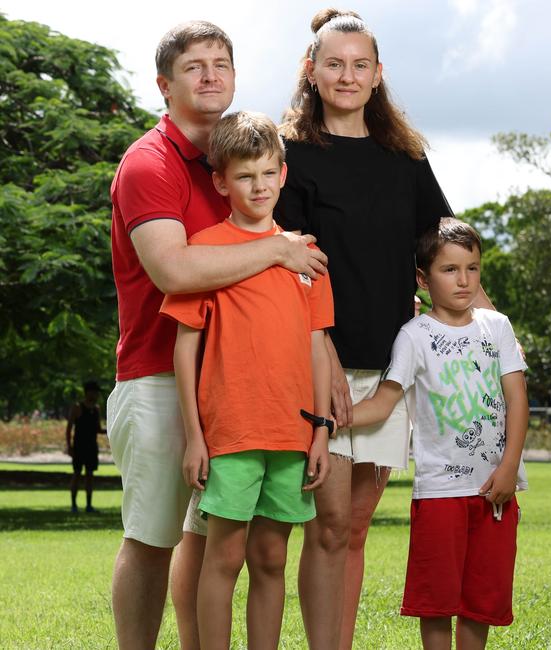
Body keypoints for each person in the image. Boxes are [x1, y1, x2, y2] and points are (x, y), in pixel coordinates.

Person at [107, 21, 327, 650]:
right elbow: (174, 268)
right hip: (157, 375)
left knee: (206, 540)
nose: (210, 76)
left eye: (221, 64)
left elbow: (295, 294)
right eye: (194, 66)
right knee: (153, 539)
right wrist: (277, 252)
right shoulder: (150, 163)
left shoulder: (234, 162)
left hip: (234, 387)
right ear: (164, 84)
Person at [274, 9, 460, 649]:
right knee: (326, 524)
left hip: (388, 370)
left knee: (353, 527)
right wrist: (319, 356)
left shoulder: (405, 160)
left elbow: (443, 251)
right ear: (312, 70)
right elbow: (292, 271)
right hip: (317, 361)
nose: (347, 75)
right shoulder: (291, 156)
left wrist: (491, 335)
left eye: (360, 65)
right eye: (334, 63)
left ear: (378, 75)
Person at [160, 111, 334, 650]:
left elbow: (316, 345)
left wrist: (323, 429)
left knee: (271, 558)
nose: (257, 186)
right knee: (225, 556)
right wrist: (194, 436)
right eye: (243, 176)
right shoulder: (205, 249)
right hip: (230, 430)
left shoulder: (305, 255)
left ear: (283, 174)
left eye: (267, 173)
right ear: (220, 182)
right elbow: (185, 346)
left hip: (292, 431)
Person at [353, 218, 529, 650]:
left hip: (495, 490)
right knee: (436, 602)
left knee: (480, 600)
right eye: (450, 269)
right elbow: (383, 403)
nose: (463, 279)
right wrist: (331, 416)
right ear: (423, 278)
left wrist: (509, 469)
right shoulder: (414, 337)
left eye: (472, 267)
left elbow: (517, 402)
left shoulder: (498, 327)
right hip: (438, 494)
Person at [65, 380, 105, 513]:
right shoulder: (77, 407)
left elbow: (98, 429)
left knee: (89, 476)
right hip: (79, 447)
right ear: (88, 392)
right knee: (76, 474)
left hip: (91, 447)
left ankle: (89, 505)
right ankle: (73, 505)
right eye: (94, 392)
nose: (96, 395)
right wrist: (69, 446)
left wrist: (112, 430)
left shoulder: (96, 409)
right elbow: (69, 428)